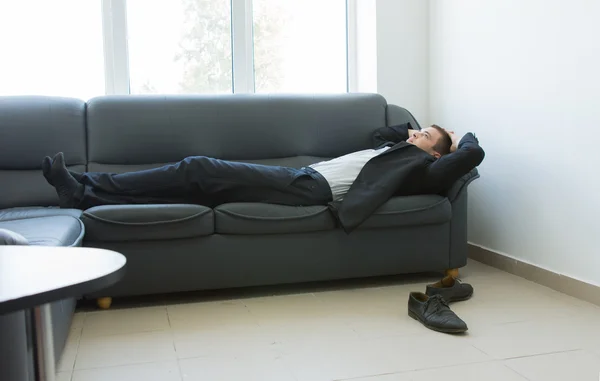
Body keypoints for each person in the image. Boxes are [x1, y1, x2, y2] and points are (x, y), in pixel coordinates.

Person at [42, 123, 484, 233]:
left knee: (198, 167)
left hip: (311, 189)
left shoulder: (423, 166)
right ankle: (82, 194)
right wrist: (410, 134)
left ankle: (82, 188)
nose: (415, 133)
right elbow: (378, 134)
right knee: (194, 182)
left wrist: (451, 139)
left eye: (425, 134)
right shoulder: (399, 150)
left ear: (436, 151)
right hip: (300, 176)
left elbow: (471, 153)